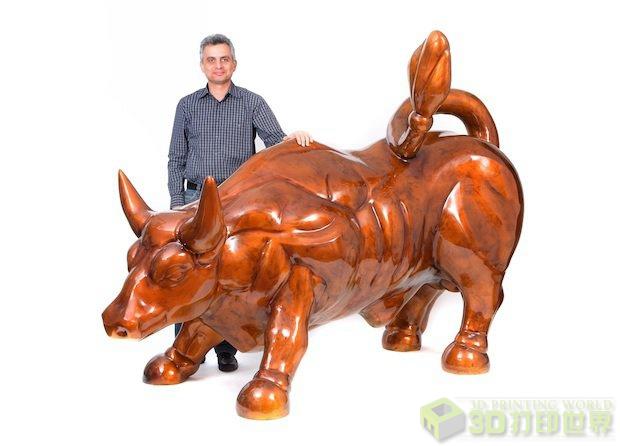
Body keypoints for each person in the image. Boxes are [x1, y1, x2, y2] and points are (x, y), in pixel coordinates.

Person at [167, 34, 313, 373]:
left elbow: (275, 143)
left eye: (224, 59)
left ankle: (225, 348)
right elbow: (176, 157)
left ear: (234, 63)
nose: (218, 65)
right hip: (193, 200)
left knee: (230, 275)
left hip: (235, 201)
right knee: (188, 274)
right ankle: (183, 350)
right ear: (202, 65)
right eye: (211, 60)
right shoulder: (187, 106)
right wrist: (177, 204)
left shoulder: (252, 103)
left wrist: (294, 139)